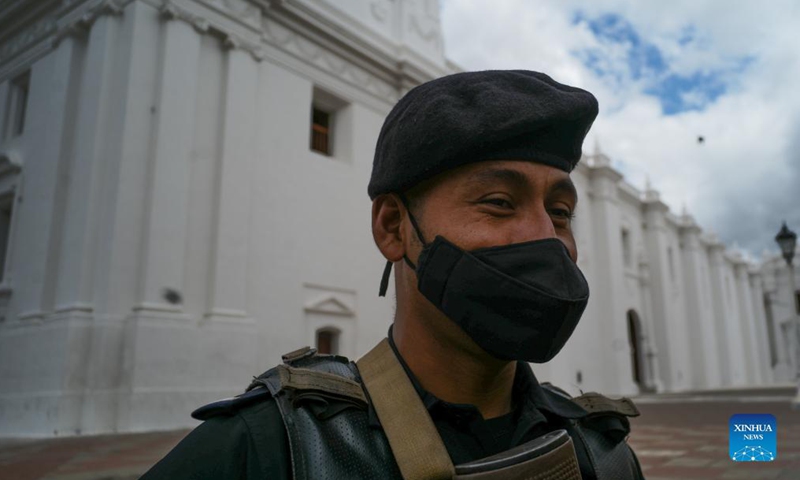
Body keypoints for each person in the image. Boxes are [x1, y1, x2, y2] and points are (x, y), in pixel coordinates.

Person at [141, 70, 645, 480]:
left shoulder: (603, 452)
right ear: (394, 227)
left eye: (560, 212)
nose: (546, 237)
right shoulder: (271, 449)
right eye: (497, 202)